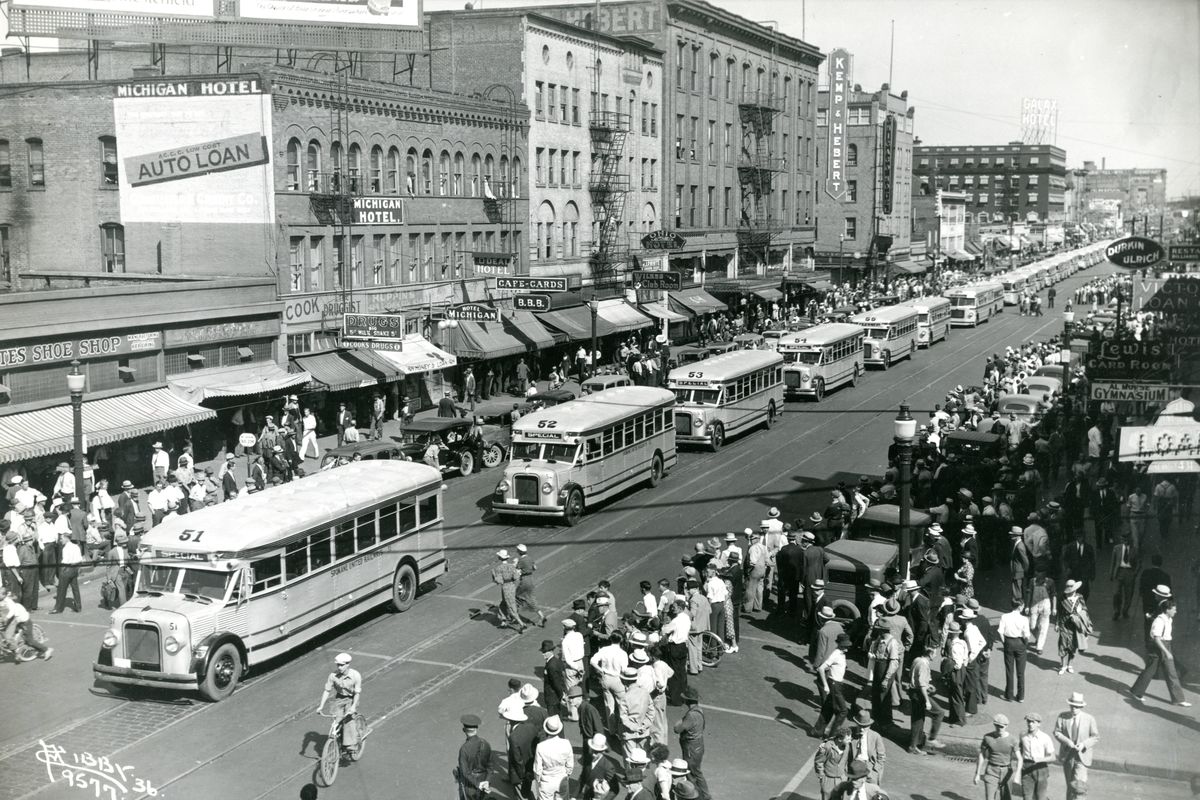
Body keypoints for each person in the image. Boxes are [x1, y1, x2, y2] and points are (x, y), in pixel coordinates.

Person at [1131, 598, 1190, 706]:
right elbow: (1156, 638)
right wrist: (1166, 652)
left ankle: (1179, 699)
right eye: (1174, 609)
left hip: (1166, 644)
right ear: (1167, 610)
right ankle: (1136, 692)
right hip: (1159, 646)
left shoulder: (1169, 619)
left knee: (1170, 672)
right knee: (1151, 670)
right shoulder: (1159, 621)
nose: (1175, 611)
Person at [1053, 693, 1099, 800]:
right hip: (1068, 756)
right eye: (1072, 706)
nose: (1074, 708)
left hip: (1082, 756)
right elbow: (1057, 732)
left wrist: (1083, 744)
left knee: (1079, 786)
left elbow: (1095, 737)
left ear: (1081, 707)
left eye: (1077, 707)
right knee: (1070, 785)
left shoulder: (1089, 719)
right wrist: (1067, 741)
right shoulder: (1062, 716)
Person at [317, 652, 361, 749]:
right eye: (338, 665)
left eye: (342, 665)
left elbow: (357, 693)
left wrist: (353, 707)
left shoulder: (355, 675)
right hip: (340, 698)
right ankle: (340, 738)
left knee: (348, 719)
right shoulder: (333, 676)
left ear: (347, 664)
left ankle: (351, 744)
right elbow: (327, 690)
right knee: (337, 718)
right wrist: (321, 706)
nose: (339, 667)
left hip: (352, 698)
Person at [907, 643, 945, 754]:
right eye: (935, 653)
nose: (936, 656)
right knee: (939, 713)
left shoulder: (917, 659)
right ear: (930, 653)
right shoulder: (924, 664)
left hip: (913, 691)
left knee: (918, 718)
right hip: (919, 694)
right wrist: (927, 700)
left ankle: (914, 744)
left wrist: (928, 686)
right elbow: (922, 685)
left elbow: (913, 676)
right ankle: (931, 739)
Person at [673, 687, 709, 800]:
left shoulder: (691, 715)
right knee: (697, 772)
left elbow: (677, 729)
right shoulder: (699, 710)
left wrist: (680, 721)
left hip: (691, 748)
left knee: (691, 774)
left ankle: (700, 796)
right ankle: (705, 795)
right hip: (698, 745)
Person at [0, 588, 52, 660]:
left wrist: (6, 618)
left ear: (4, 595)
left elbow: (12, 611)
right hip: (16, 622)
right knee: (6, 634)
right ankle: (11, 648)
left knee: (29, 641)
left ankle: (46, 649)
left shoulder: (10, 603)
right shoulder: (3, 601)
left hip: (25, 622)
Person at [1013, 712, 1056, 800]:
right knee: (1027, 797)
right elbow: (1020, 752)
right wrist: (1018, 770)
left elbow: (1053, 757)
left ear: (1039, 724)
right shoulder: (1023, 735)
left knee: (1040, 797)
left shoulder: (1045, 738)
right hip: (1026, 768)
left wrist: (1040, 759)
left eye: (1033, 722)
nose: (1030, 724)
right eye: (1028, 721)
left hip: (1040, 769)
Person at [974, 714, 1017, 800]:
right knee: (989, 798)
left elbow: (1019, 758)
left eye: (1001, 726)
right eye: (996, 726)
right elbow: (982, 755)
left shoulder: (1013, 739)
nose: (999, 728)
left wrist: (1017, 774)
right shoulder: (987, 737)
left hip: (1006, 771)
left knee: (1006, 798)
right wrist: (977, 774)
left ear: (1006, 726)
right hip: (991, 770)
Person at [997, 600, 1032, 703]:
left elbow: (1000, 632)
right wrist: (1024, 644)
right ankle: (1021, 696)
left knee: (1009, 670)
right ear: (1020, 607)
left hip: (1008, 642)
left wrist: (1005, 643)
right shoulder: (1024, 619)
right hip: (1020, 643)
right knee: (1020, 672)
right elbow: (1027, 635)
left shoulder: (1004, 616)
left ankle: (1009, 695)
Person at [1056, 579, 1092, 674]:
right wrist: (1057, 624)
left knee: (1073, 646)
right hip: (1064, 624)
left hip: (1075, 625)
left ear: (1075, 590)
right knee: (1062, 645)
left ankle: (1070, 664)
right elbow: (1059, 612)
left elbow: (1085, 610)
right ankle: (1063, 666)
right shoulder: (1061, 598)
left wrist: (1078, 615)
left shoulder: (1080, 597)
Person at [533, 715, 573, 800]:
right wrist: (567, 775)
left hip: (546, 781)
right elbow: (570, 765)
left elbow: (537, 769)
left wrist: (539, 781)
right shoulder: (566, 743)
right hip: (562, 779)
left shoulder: (540, 746)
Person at [455, 714, 493, 800]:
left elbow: (465, 772)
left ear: (464, 730)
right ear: (476, 729)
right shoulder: (486, 743)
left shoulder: (464, 749)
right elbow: (490, 766)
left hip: (471, 784)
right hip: (484, 779)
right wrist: (487, 781)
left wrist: (477, 784)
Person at [847, 710, 887, 784]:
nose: (862, 729)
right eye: (860, 726)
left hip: (869, 767)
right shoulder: (851, 732)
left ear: (869, 726)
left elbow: (881, 756)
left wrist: (875, 769)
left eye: (865, 726)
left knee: (870, 791)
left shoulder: (876, 736)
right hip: (854, 766)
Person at [491, 550, 525, 632]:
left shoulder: (498, 568)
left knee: (511, 606)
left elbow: (499, 581)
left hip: (506, 587)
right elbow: (516, 577)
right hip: (512, 586)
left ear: (500, 557)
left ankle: (522, 624)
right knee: (503, 603)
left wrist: (493, 575)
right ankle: (503, 620)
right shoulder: (512, 566)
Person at [813, 727, 851, 800]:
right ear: (840, 739)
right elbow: (819, 762)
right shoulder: (827, 747)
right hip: (828, 779)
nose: (850, 741)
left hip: (841, 779)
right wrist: (822, 777)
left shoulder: (847, 746)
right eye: (848, 739)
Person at [515, 544, 547, 628]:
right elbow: (535, 567)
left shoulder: (521, 560)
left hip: (524, 581)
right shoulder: (530, 558)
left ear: (519, 551)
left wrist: (515, 564)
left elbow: (517, 572)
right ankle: (541, 616)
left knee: (516, 596)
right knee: (531, 598)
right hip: (531, 579)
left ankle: (515, 614)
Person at [50, 532, 82, 614]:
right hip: (75, 569)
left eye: (61, 538)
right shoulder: (76, 546)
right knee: (75, 588)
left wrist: (61, 571)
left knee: (61, 590)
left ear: (66, 538)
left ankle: (58, 608)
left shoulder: (65, 548)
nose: (60, 540)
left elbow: (65, 561)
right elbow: (79, 559)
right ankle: (78, 607)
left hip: (66, 569)